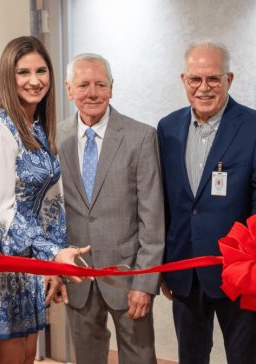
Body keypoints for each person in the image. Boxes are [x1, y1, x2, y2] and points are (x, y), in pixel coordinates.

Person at [157, 41, 256, 364]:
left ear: (230, 79)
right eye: (195, 79)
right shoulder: (167, 128)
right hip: (185, 269)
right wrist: (164, 264)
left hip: (238, 273)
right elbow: (166, 204)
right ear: (184, 80)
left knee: (244, 358)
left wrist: (252, 257)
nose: (204, 88)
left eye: (213, 79)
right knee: (190, 357)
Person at [53, 53, 165, 364]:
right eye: (84, 84)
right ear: (69, 89)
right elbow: (51, 211)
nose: (92, 93)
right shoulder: (54, 137)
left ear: (112, 88)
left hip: (128, 276)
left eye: (100, 84)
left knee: (140, 358)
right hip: (79, 276)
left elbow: (153, 219)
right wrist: (56, 271)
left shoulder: (140, 137)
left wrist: (145, 284)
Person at [0, 36, 68, 364]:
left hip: (30, 268)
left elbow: (54, 202)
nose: (35, 80)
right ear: (8, 78)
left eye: (41, 71)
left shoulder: (38, 127)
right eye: (23, 72)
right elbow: (1, 215)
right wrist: (52, 253)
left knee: (29, 359)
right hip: (3, 270)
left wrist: (53, 264)